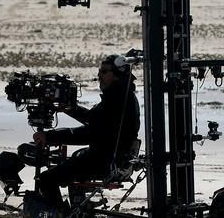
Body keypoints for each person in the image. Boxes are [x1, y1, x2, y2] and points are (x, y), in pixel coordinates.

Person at [30, 54, 141, 208]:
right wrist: (70, 109)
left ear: (116, 75)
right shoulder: (123, 96)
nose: (99, 76)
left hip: (105, 161)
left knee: (46, 179)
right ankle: (79, 211)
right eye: (99, 71)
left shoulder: (116, 100)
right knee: (76, 158)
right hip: (115, 158)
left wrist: (48, 136)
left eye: (104, 72)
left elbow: (89, 133)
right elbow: (95, 120)